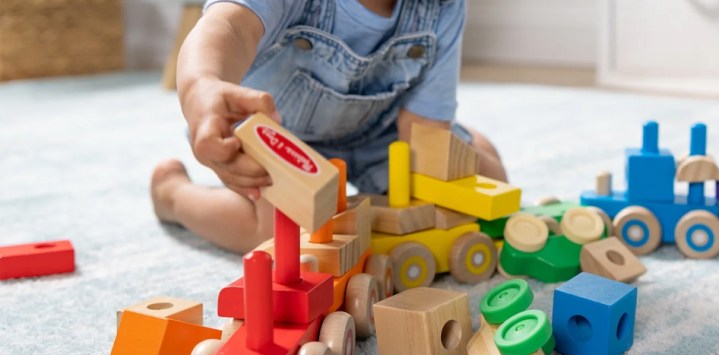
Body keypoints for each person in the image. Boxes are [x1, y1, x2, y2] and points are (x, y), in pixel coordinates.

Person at [150, 0, 505, 253]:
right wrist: (202, 86)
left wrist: (435, 189)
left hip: (381, 133)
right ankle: (174, 195)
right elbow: (229, 26)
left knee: (488, 182)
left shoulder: (442, 6)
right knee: (281, 235)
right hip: (283, 136)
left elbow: (425, 128)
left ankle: (472, 145)